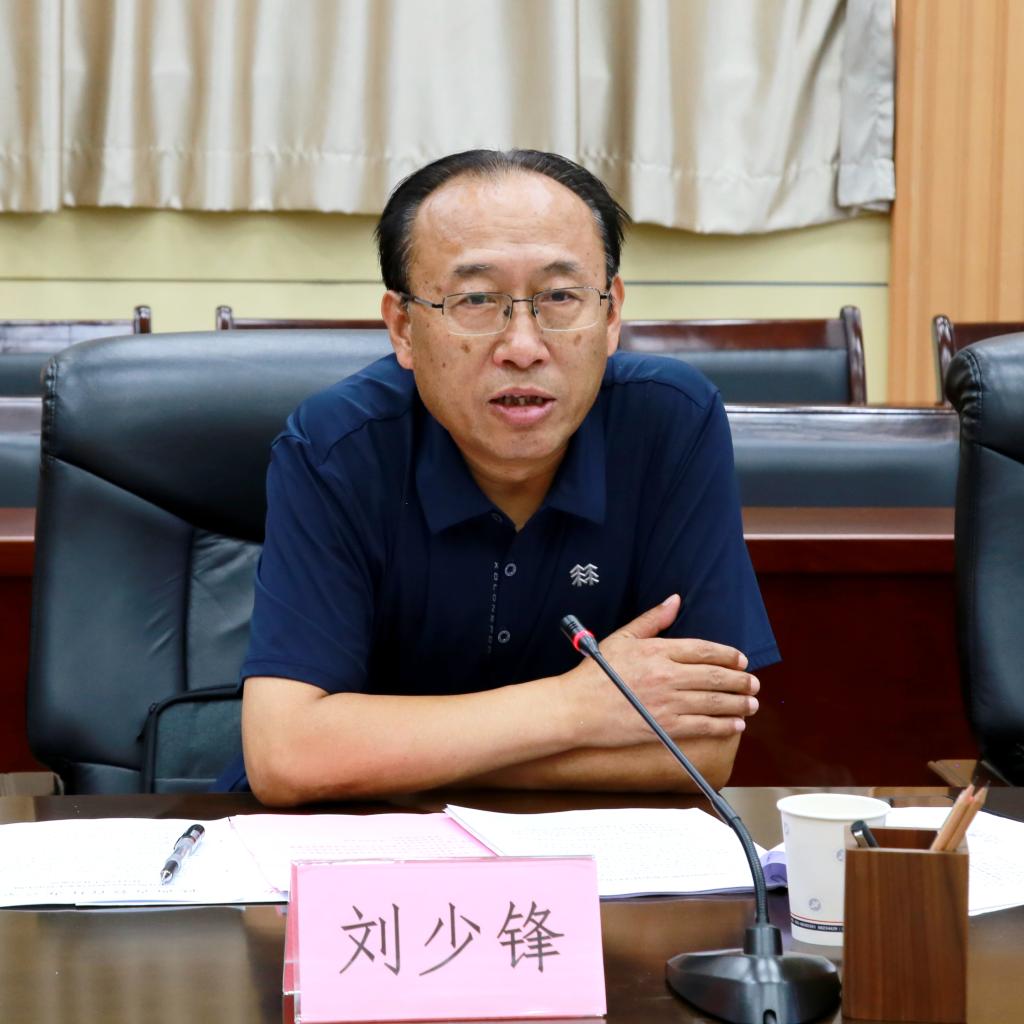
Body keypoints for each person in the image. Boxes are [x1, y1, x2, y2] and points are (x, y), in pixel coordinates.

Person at [234, 149, 779, 806]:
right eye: (476, 299)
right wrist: (577, 707)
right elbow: (288, 755)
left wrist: (397, 756)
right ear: (403, 327)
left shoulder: (671, 422)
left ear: (611, 315)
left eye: (560, 297)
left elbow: (702, 748)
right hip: (347, 847)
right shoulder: (335, 446)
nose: (523, 346)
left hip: (586, 851)